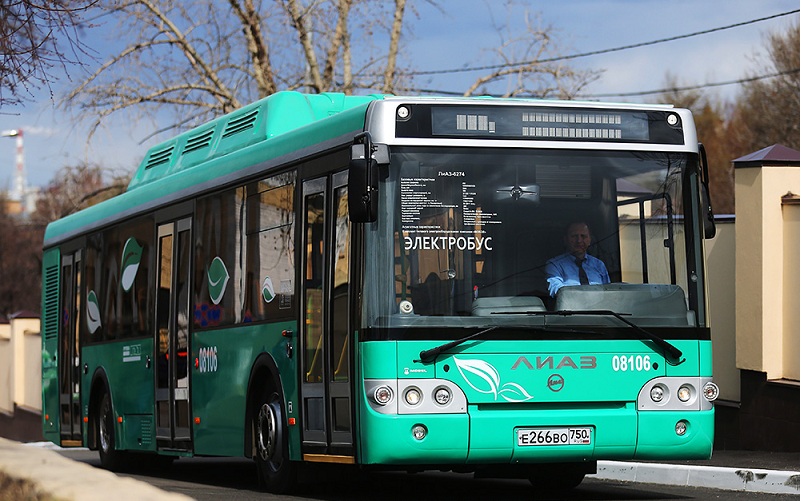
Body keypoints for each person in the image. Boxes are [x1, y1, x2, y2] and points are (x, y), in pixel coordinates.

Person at [545, 221, 610, 297]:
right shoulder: (554, 265)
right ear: (565, 239)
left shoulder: (599, 265)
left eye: (583, 236)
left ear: (589, 240)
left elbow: (609, 292)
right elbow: (558, 291)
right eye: (574, 236)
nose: (579, 241)